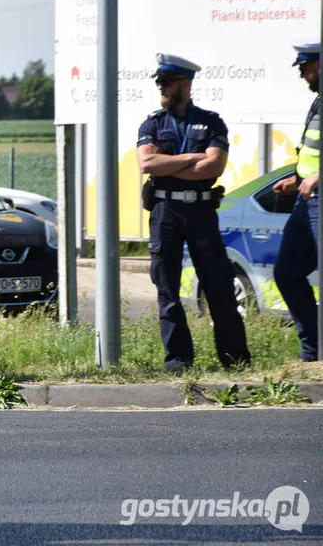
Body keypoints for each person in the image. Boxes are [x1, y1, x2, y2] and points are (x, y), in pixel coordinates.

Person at [136, 54, 251, 371]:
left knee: (218, 286)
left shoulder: (212, 122)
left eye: (166, 82)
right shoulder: (153, 123)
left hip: (201, 210)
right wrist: (192, 159)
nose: (160, 87)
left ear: (184, 85)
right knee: (167, 290)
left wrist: (170, 165)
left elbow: (213, 165)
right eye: (159, 82)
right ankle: (178, 359)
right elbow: (146, 164)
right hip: (164, 211)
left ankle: (234, 359)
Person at [273, 41, 321, 362]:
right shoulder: (318, 102)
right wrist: (297, 178)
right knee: (287, 272)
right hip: (306, 203)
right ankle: (313, 348)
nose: (302, 75)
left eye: (305, 68)